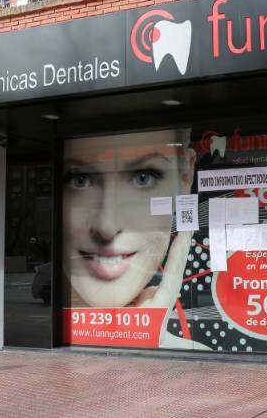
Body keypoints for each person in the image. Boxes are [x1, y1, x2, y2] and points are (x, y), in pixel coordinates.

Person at [62, 128, 207, 349]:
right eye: (79, 180)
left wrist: (141, 334)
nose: (107, 226)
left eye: (143, 177)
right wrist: (142, 333)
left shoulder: (200, 359)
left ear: (185, 177)